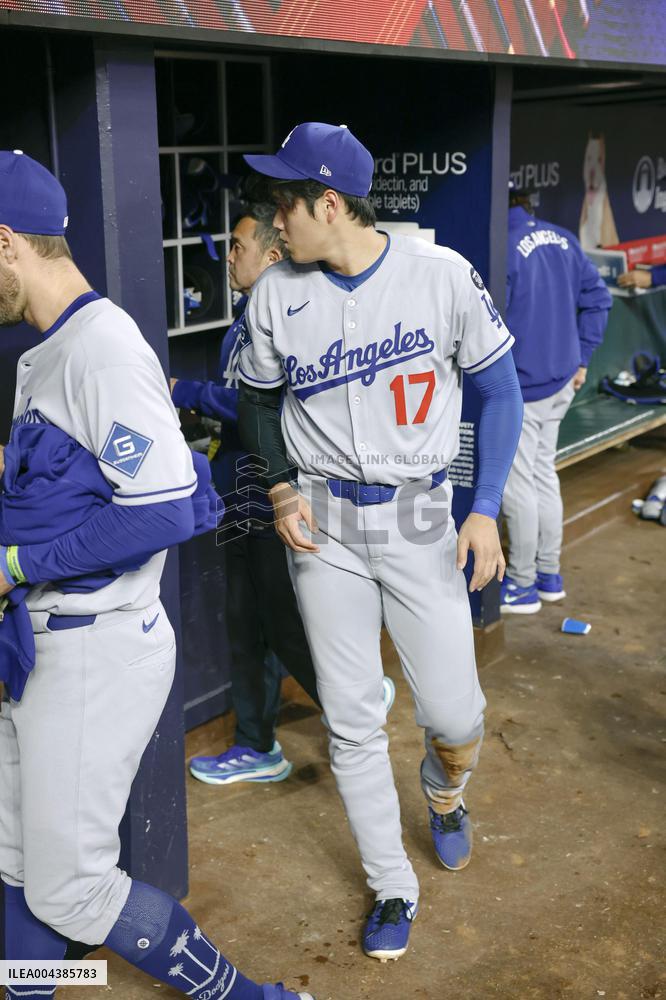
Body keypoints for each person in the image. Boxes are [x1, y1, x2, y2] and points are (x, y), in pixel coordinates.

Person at [0, 151, 314, 1000]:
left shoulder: (101, 348)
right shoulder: (42, 355)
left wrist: (16, 561)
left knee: (72, 885)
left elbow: (171, 508)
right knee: (19, 863)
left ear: (6, 244)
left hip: (96, 645)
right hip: (39, 642)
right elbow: (60, 481)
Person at [236, 122, 524, 962]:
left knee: (456, 715)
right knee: (354, 718)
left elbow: (499, 390)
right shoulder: (274, 295)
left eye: (284, 200)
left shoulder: (440, 277)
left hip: (420, 517)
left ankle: (444, 790)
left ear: (330, 202)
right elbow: (258, 402)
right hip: (323, 525)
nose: (273, 216)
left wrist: (485, 506)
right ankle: (392, 882)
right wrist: (283, 486)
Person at [172, 205, 395, 785]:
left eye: (240, 245)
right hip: (244, 494)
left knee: (280, 622)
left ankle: (356, 702)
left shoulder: (296, 320)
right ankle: (257, 745)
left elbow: (269, 410)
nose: (229, 256)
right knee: (247, 624)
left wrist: (189, 392)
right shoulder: (244, 321)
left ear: (272, 256)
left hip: (281, 494)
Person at [501, 187, 612, 614]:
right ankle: (548, 574)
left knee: (519, 485)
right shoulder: (562, 237)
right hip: (562, 382)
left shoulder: (503, 247)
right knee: (542, 474)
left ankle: (523, 584)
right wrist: (583, 359)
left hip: (525, 390)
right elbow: (600, 300)